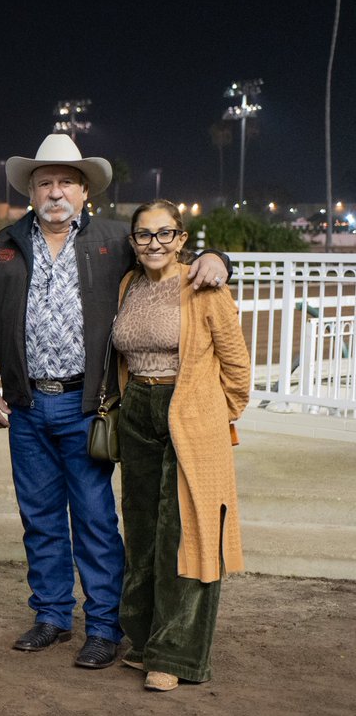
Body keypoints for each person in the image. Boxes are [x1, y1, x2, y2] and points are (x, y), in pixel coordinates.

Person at [0, 134, 231, 669]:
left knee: (93, 519)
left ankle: (106, 627)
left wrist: (218, 258)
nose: (56, 190)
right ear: (31, 190)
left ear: (85, 190)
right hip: (24, 406)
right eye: (46, 182)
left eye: (67, 181)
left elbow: (170, 261)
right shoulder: (4, 245)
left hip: (88, 407)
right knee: (39, 518)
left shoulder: (117, 241)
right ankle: (50, 616)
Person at [114, 200, 250, 691]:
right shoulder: (129, 285)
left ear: (182, 238)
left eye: (165, 234)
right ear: (133, 242)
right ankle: (145, 638)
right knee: (144, 528)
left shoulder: (204, 287)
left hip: (190, 415)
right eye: (145, 235)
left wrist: (216, 415)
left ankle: (174, 655)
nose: (155, 244)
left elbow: (237, 368)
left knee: (186, 533)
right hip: (138, 414)